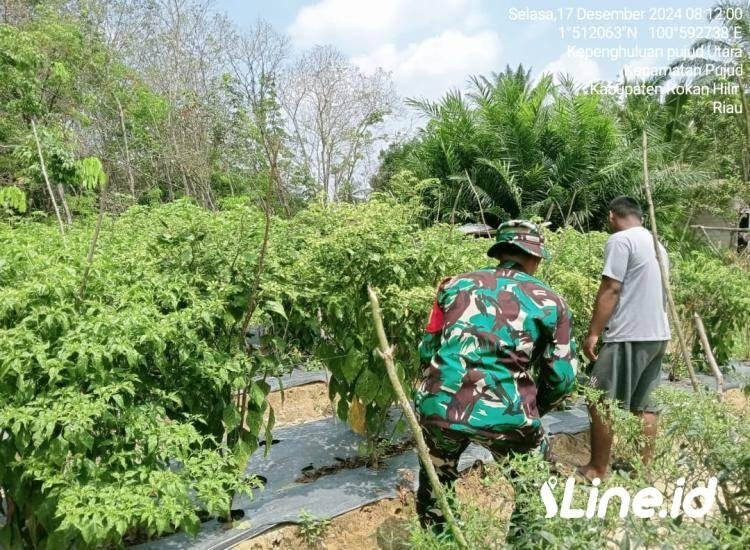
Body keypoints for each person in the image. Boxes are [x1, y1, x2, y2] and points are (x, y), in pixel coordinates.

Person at [413, 219, 578, 531]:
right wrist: (533, 406)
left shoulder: (452, 286)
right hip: (507, 414)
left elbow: (426, 349)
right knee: (536, 491)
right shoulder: (552, 302)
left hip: (439, 407)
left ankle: (438, 538)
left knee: (436, 484)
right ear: (536, 258)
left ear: (500, 251)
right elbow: (562, 378)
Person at [579, 196, 671, 481]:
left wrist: (594, 332)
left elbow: (611, 288)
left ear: (611, 216)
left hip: (629, 335)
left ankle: (596, 469)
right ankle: (641, 470)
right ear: (640, 216)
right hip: (657, 334)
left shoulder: (621, 240)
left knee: (600, 401)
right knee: (644, 406)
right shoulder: (657, 244)